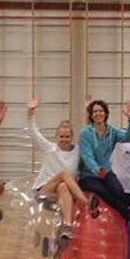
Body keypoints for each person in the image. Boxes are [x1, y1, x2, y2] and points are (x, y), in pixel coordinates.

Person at [26, 97, 90, 244]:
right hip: (44, 190)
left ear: (72, 137)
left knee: (63, 185)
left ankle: (67, 226)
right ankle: (85, 203)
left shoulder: (77, 151)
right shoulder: (50, 148)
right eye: (61, 136)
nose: (64, 139)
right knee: (63, 174)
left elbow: (88, 133)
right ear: (56, 137)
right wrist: (30, 113)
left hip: (63, 191)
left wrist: (88, 113)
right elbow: (33, 132)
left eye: (67, 137)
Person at [78, 99, 130, 221]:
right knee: (104, 191)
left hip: (106, 172)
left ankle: (129, 213)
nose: (98, 114)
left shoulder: (111, 131)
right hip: (88, 176)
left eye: (100, 111)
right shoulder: (85, 133)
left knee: (118, 190)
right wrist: (96, 169)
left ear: (105, 113)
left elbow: (127, 137)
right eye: (94, 111)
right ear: (91, 115)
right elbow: (87, 155)